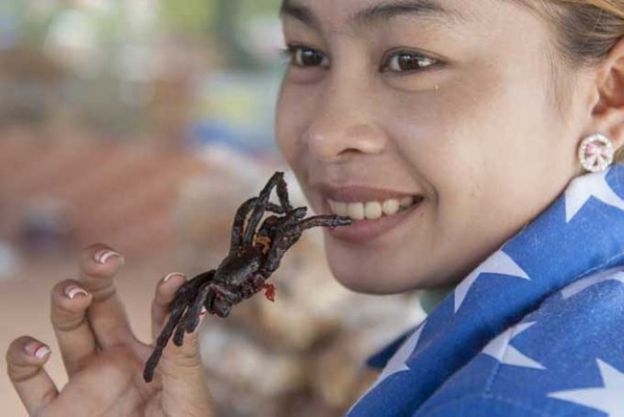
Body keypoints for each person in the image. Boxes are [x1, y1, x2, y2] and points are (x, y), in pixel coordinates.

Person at [7, 0, 624, 415]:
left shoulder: (514, 393)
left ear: (606, 95)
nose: (323, 132)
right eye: (306, 54)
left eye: (410, 61)